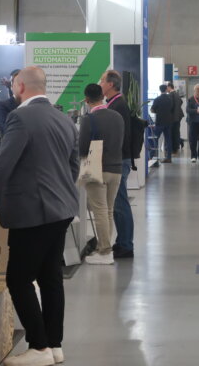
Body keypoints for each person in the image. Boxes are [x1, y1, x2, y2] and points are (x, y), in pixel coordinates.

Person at [0, 67, 78, 366]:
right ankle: (54, 345)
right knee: (50, 277)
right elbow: (72, 166)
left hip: (32, 212)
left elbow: (4, 164)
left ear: (19, 86)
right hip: (61, 209)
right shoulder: (63, 118)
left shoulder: (19, 117)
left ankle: (39, 346)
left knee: (19, 279)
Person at [79, 83, 124, 266]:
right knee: (108, 210)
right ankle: (105, 247)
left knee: (99, 211)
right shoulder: (117, 117)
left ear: (87, 100)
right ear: (102, 96)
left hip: (97, 169)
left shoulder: (89, 119)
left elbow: (83, 148)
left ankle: (104, 252)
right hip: (116, 169)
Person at [99, 70, 134, 259]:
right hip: (119, 159)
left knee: (120, 203)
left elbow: (116, 137)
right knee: (118, 202)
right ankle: (123, 242)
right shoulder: (114, 104)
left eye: (102, 81)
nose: (100, 84)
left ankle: (126, 245)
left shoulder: (117, 106)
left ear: (111, 84)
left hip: (119, 160)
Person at [151, 84, 174, 163]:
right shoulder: (170, 99)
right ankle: (169, 157)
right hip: (168, 121)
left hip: (159, 122)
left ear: (160, 90)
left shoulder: (157, 99)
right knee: (168, 140)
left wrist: (158, 111)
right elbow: (171, 109)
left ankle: (152, 156)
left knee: (155, 138)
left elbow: (152, 110)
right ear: (166, 89)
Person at [0, 69, 20, 138]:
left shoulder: (32, 104)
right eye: (12, 81)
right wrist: (10, 87)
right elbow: (7, 130)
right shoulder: (3, 106)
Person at [167, 81, 184, 154]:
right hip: (179, 116)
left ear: (169, 87)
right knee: (176, 132)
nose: (167, 89)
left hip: (173, 117)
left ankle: (174, 148)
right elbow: (181, 102)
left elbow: (170, 105)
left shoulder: (170, 95)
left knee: (172, 133)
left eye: (167, 88)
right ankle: (178, 145)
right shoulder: (177, 94)